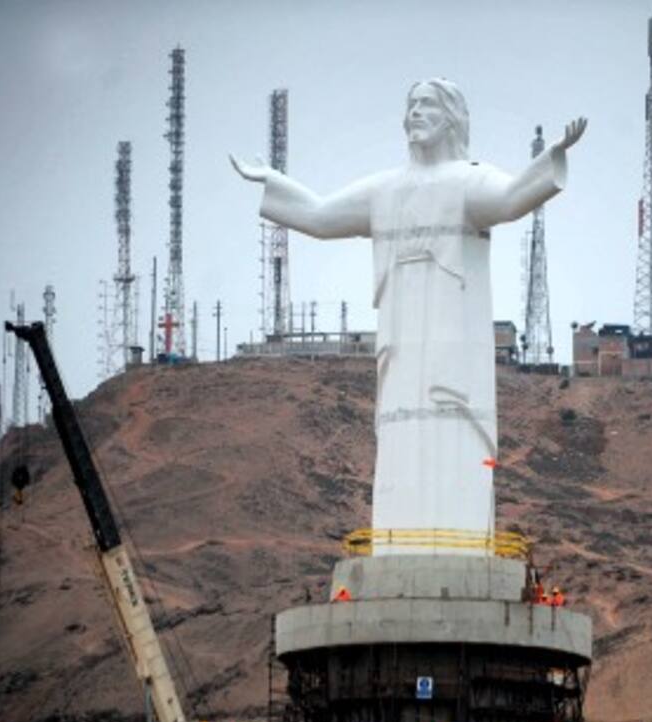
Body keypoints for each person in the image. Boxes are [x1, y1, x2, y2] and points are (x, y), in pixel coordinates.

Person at [232, 80, 585, 554]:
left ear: (452, 118)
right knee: (399, 433)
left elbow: (509, 200)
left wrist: (554, 156)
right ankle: (398, 546)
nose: (416, 113)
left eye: (428, 105)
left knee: (453, 434)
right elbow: (318, 215)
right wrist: (273, 180)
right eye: (412, 105)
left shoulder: (467, 181)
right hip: (399, 344)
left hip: (452, 340)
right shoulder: (386, 189)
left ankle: (457, 543)